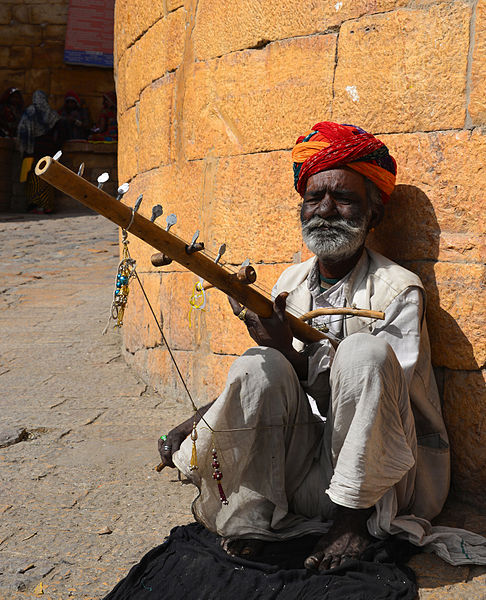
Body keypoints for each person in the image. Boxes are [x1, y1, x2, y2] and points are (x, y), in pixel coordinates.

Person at [158, 121, 486, 568]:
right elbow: (272, 383)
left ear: (375, 215)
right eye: (315, 198)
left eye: (345, 198)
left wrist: (293, 356)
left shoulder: (399, 289)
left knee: (362, 352)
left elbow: (379, 404)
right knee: (257, 363)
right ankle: (256, 518)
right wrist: (197, 421)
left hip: (384, 484)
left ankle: (349, 528)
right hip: (306, 475)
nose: (326, 210)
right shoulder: (290, 283)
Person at [17, 90, 64, 214]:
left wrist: (24, 149)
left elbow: (22, 132)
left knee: (33, 177)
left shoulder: (30, 113)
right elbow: (60, 130)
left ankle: (35, 205)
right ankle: (47, 206)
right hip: (49, 150)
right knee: (47, 177)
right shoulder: (51, 114)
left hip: (33, 151)